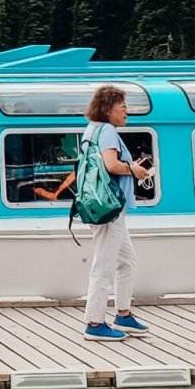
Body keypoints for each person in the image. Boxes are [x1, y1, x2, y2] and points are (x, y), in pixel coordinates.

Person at [82, 84, 151, 341]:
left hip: (101, 205)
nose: (127, 112)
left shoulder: (91, 130)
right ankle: (94, 322)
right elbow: (111, 165)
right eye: (122, 107)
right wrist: (135, 170)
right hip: (110, 208)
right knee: (104, 264)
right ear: (108, 108)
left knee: (126, 260)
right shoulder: (108, 131)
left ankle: (123, 314)